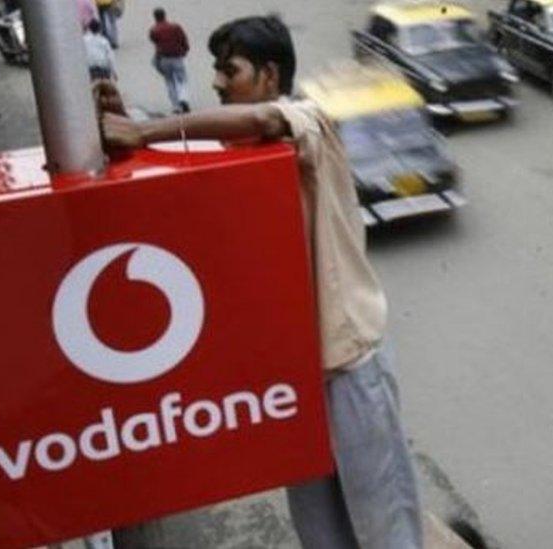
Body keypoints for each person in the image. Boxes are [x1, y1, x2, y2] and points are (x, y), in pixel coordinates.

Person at [98, 15, 423, 549]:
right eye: (217, 72)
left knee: (385, 526)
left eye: (232, 71)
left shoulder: (309, 121)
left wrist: (145, 130)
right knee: (319, 531)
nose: (219, 82)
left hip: (349, 367)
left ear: (270, 76)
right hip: (289, 382)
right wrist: (124, 122)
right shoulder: (237, 153)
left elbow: (266, 120)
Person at [148, 8, 190, 114]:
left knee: (169, 81)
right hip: (177, 57)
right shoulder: (176, 27)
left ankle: (176, 106)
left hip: (164, 59)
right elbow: (183, 39)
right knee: (182, 80)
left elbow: (155, 43)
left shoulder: (154, 30)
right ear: (165, 15)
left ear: (155, 17)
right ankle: (183, 99)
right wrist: (185, 49)